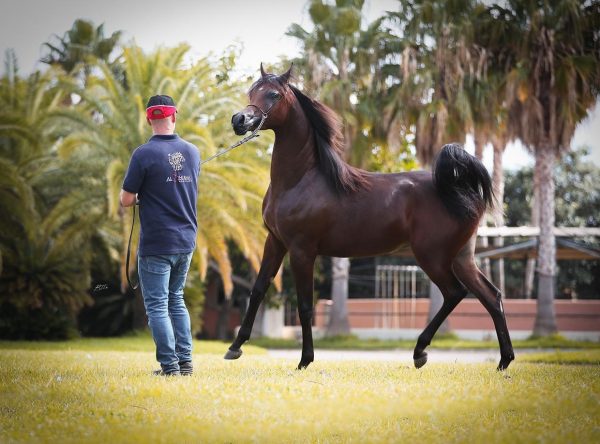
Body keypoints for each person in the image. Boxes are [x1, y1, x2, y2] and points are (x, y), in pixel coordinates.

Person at [120, 95, 200, 376]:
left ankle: (169, 367)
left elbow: (126, 200)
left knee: (157, 305)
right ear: (174, 116)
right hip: (186, 240)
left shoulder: (143, 154)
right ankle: (185, 362)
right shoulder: (193, 152)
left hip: (157, 243)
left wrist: (143, 192)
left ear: (148, 119)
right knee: (176, 299)